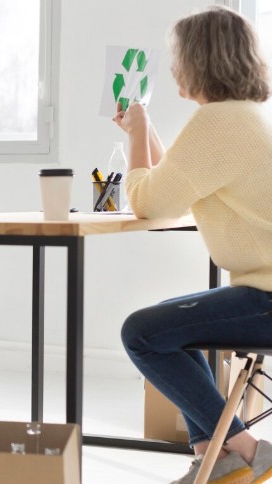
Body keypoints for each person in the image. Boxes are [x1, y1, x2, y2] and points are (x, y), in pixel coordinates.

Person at [115, 6, 272, 483]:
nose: (172, 67)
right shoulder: (242, 117)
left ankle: (247, 449)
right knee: (171, 320)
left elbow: (149, 203)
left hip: (266, 299)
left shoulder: (218, 123)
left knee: (142, 333)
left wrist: (137, 135)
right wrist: (146, 131)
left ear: (197, 60)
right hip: (263, 292)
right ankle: (212, 452)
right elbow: (180, 186)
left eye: (177, 56)